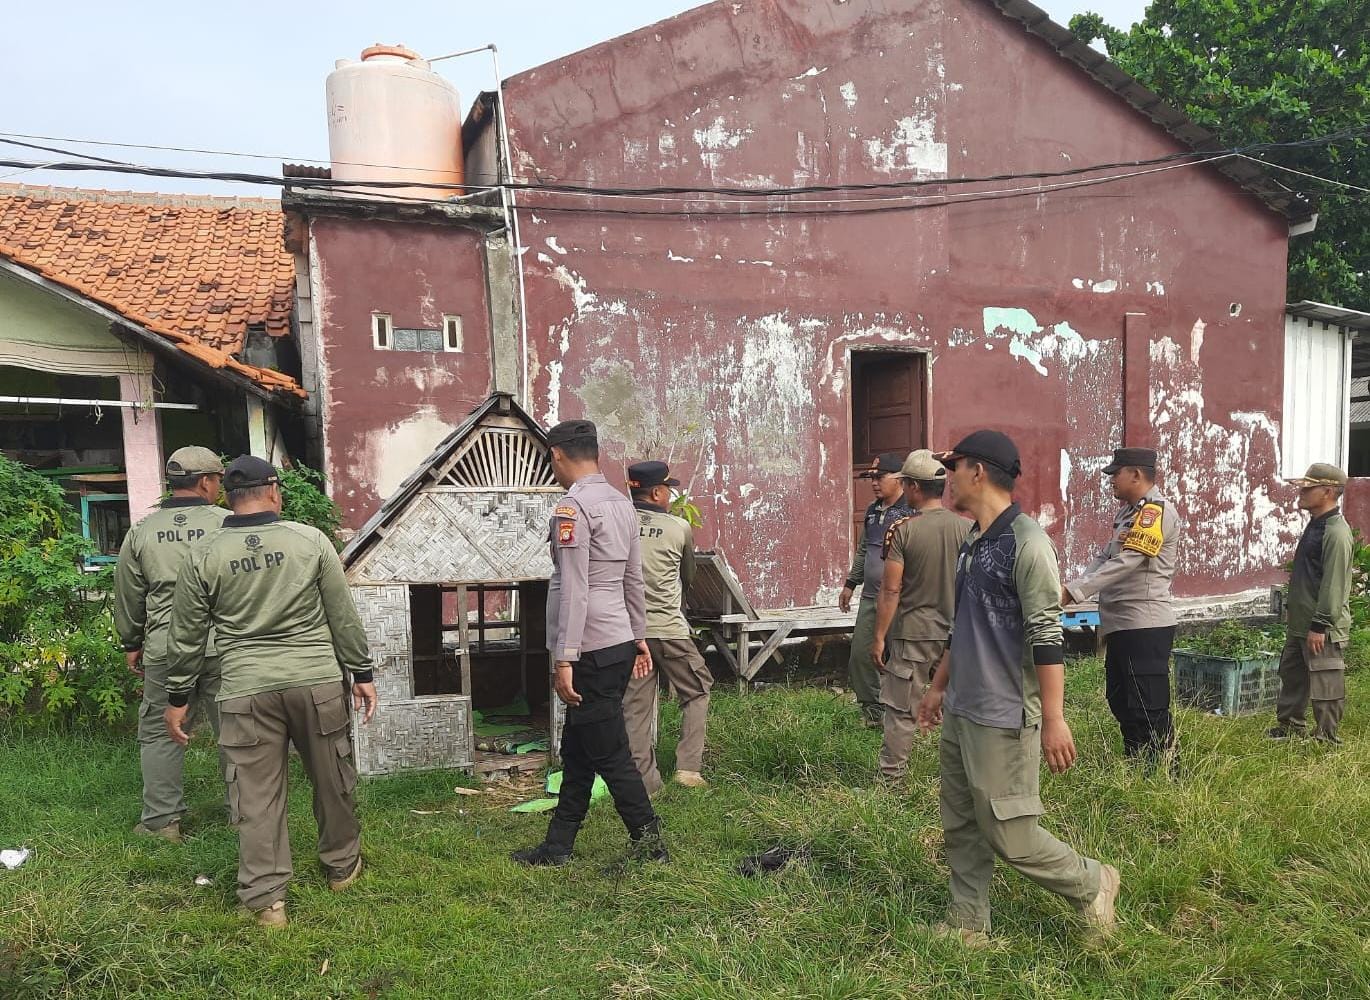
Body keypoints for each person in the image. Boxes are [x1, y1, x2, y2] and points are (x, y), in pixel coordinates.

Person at [917, 430, 1119, 945]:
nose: (948, 478)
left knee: (1011, 833)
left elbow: (1047, 637)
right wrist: (939, 687)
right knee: (962, 824)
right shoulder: (973, 540)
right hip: (964, 707)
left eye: (953, 467)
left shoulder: (1028, 544)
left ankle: (1093, 882)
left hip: (1006, 714)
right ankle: (969, 923)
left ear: (978, 471)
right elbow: (964, 623)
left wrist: (1054, 718)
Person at [164, 456, 378, 928]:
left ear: (226, 498)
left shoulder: (205, 554)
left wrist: (178, 697)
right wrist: (360, 672)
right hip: (315, 681)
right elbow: (342, 616)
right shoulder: (310, 541)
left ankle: (266, 902)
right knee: (332, 778)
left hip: (244, 688)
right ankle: (342, 868)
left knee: (255, 796)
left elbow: (185, 635)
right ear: (275, 490)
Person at [512, 420, 667, 866]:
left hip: (588, 649)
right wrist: (638, 636)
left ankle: (650, 844)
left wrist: (564, 658)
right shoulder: (622, 505)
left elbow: (576, 589)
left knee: (611, 752)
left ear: (558, 454)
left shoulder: (573, 509)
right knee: (579, 750)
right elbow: (634, 579)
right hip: (617, 640)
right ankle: (558, 846)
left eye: (549, 459)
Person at [114, 446, 228, 843]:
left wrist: (132, 640)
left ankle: (162, 823)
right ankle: (247, 814)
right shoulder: (230, 524)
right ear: (205, 482)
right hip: (223, 646)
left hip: (164, 648)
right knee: (237, 731)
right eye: (218, 480)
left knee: (161, 733)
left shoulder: (141, 532)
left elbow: (129, 594)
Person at [1063, 448, 1181, 761]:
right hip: (1121, 623)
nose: (1111, 481)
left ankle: (1163, 767)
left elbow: (1129, 561)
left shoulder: (1155, 512)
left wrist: (1076, 592)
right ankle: (1136, 759)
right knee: (1120, 698)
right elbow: (1106, 556)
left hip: (1144, 623)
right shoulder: (1129, 513)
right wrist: (1073, 588)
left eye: (1116, 474)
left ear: (1136, 475)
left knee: (1147, 701)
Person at [870, 450, 969, 781]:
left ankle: (891, 782)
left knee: (900, 711)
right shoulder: (970, 528)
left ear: (912, 486)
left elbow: (891, 590)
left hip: (914, 633)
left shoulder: (903, 530)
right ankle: (961, 779)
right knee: (961, 709)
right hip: (961, 636)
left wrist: (880, 636)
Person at [622, 460, 712, 794]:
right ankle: (688, 770)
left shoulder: (618, 523)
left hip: (631, 633)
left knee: (636, 706)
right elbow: (688, 576)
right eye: (669, 489)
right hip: (670, 631)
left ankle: (644, 782)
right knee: (697, 691)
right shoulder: (678, 527)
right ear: (658, 492)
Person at [1271, 462, 1353, 744]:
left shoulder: (1336, 532)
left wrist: (1320, 624)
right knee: (1293, 675)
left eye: (1309, 488)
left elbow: (1334, 584)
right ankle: (1290, 728)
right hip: (1301, 622)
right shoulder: (1316, 525)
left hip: (1322, 626)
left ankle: (1326, 739)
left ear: (1328, 492)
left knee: (1325, 682)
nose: (1301, 493)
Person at [840, 452, 915, 726]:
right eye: (871, 477)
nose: (874, 483)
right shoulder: (873, 511)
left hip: (901, 599)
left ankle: (904, 714)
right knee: (861, 656)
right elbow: (864, 551)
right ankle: (873, 712)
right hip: (871, 597)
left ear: (900, 479)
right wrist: (851, 583)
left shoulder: (911, 512)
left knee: (900, 658)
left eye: (879, 477)